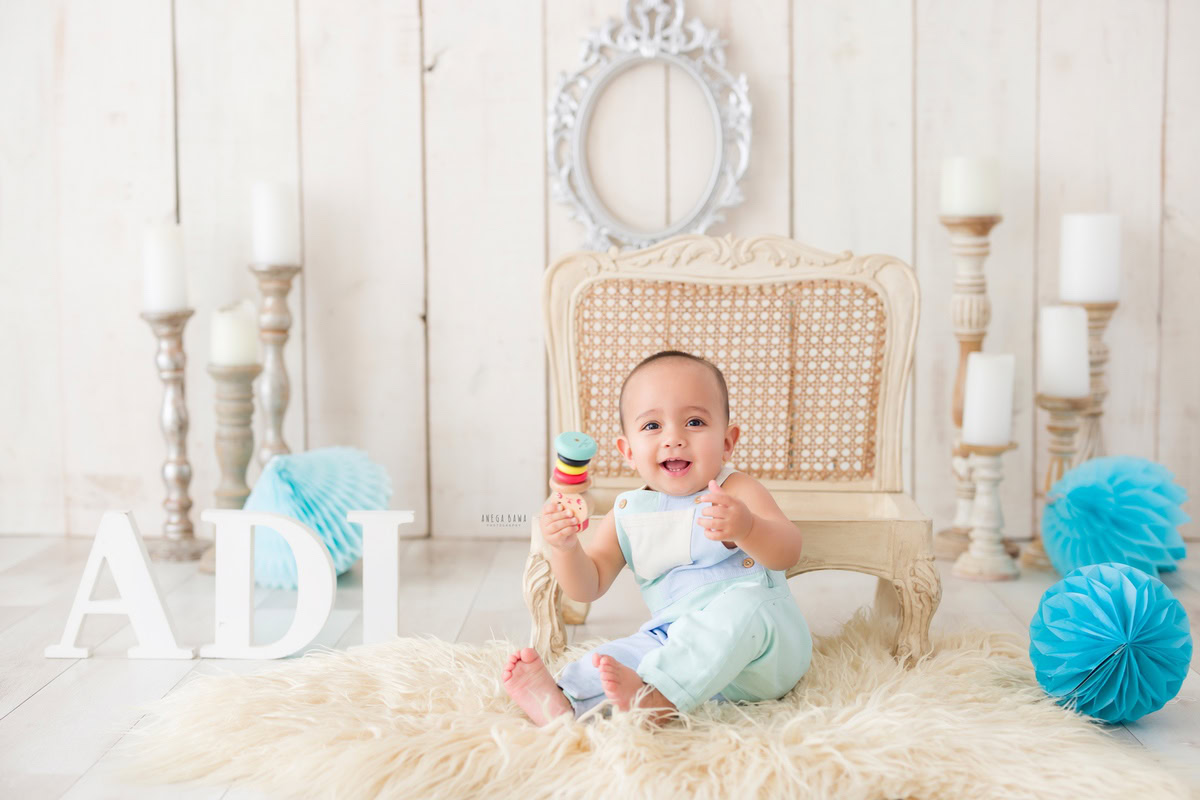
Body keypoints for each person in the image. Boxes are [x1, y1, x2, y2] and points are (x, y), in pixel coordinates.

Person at [501, 350, 813, 726]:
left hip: (763, 650)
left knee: (741, 608)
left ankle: (657, 698)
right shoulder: (628, 512)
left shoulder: (736, 490)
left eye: (695, 422)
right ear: (628, 451)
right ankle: (564, 701)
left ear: (727, 442)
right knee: (614, 658)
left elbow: (788, 551)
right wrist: (566, 549)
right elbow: (588, 585)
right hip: (676, 641)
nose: (674, 439)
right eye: (652, 427)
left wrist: (748, 528)